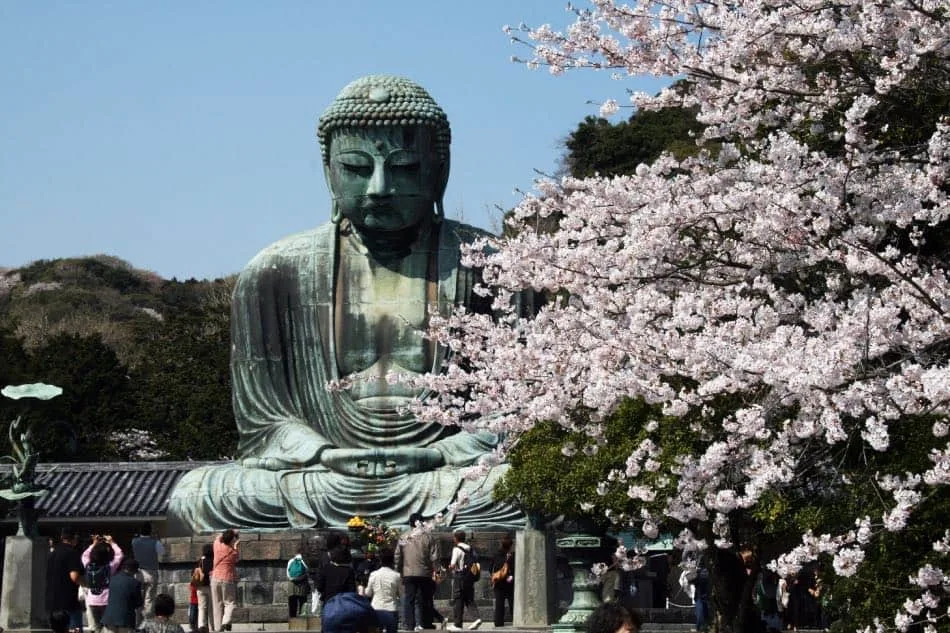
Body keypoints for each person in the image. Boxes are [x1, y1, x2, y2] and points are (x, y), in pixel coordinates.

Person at [166, 74, 528, 534]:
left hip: (448, 472)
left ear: (440, 172)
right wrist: (321, 453)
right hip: (323, 473)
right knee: (200, 494)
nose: (379, 188)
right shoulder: (275, 271)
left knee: (522, 487)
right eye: (357, 168)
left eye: (404, 168)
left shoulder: (499, 268)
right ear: (328, 172)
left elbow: (522, 415)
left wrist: (441, 452)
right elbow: (264, 421)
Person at [395, 513, 441, 631]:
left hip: (408, 572)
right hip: (425, 572)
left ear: (410, 523)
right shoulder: (429, 537)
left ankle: (409, 624)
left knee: (409, 599)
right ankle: (425, 623)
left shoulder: (404, 537)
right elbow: (434, 557)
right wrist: (437, 571)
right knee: (424, 598)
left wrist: (398, 569)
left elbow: (398, 556)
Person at [81, 534, 124, 633]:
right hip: (106, 599)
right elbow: (119, 554)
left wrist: (93, 544)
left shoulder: (88, 566)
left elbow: (85, 555)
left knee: (97, 627)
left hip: (92, 600)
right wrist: (112, 542)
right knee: (108, 627)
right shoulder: (109, 567)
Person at [46, 526, 85, 633]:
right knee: (74, 628)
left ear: (62, 537)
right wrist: (87, 584)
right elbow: (74, 576)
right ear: (75, 538)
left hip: (51, 603)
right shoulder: (72, 553)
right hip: (68, 602)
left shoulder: (52, 553)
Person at [131, 522, 164, 624]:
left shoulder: (134, 541)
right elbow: (162, 552)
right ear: (150, 531)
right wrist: (157, 539)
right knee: (149, 598)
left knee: (138, 599)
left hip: (138, 572)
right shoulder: (155, 542)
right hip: (151, 572)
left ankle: (137, 622)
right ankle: (148, 622)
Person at [447, 531, 481, 631]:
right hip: (469, 578)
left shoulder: (456, 549)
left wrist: (449, 567)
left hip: (460, 577)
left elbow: (453, 565)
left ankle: (457, 625)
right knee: (469, 599)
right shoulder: (470, 549)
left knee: (458, 599)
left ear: (456, 538)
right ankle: (476, 618)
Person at [364, 548, 401, 633]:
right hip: (392, 608)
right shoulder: (397, 575)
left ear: (380, 560)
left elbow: (368, 593)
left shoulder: (374, 574)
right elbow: (402, 594)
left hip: (376, 608)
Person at [101, 558, 143, 633]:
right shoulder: (135, 583)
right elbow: (138, 603)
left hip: (109, 618)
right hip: (125, 620)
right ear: (133, 571)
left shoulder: (112, 579)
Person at [211, 528, 240, 632]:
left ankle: (218, 628)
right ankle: (225, 621)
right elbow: (237, 559)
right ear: (232, 540)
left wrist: (232, 532)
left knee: (217, 603)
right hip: (228, 578)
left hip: (215, 578)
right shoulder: (234, 553)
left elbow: (218, 537)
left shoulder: (216, 545)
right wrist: (236, 545)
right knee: (230, 602)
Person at [490, 535, 515, 627]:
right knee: (512, 603)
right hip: (509, 582)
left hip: (498, 582)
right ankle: (515, 620)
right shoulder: (512, 556)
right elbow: (514, 569)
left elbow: (490, 568)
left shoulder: (496, 554)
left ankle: (498, 622)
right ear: (510, 546)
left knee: (499, 604)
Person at [287, 545, 311, 618]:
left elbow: (288, 573)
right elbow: (308, 571)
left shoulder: (291, 561)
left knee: (292, 604)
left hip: (292, 585)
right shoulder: (305, 560)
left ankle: (292, 620)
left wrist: (292, 579)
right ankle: (302, 622)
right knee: (303, 604)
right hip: (302, 584)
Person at [194, 543, 214, 631]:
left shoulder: (200, 561)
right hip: (210, 586)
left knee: (201, 607)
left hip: (200, 586)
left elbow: (194, 572)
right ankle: (212, 627)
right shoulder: (214, 560)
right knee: (211, 608)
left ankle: (201, 626)